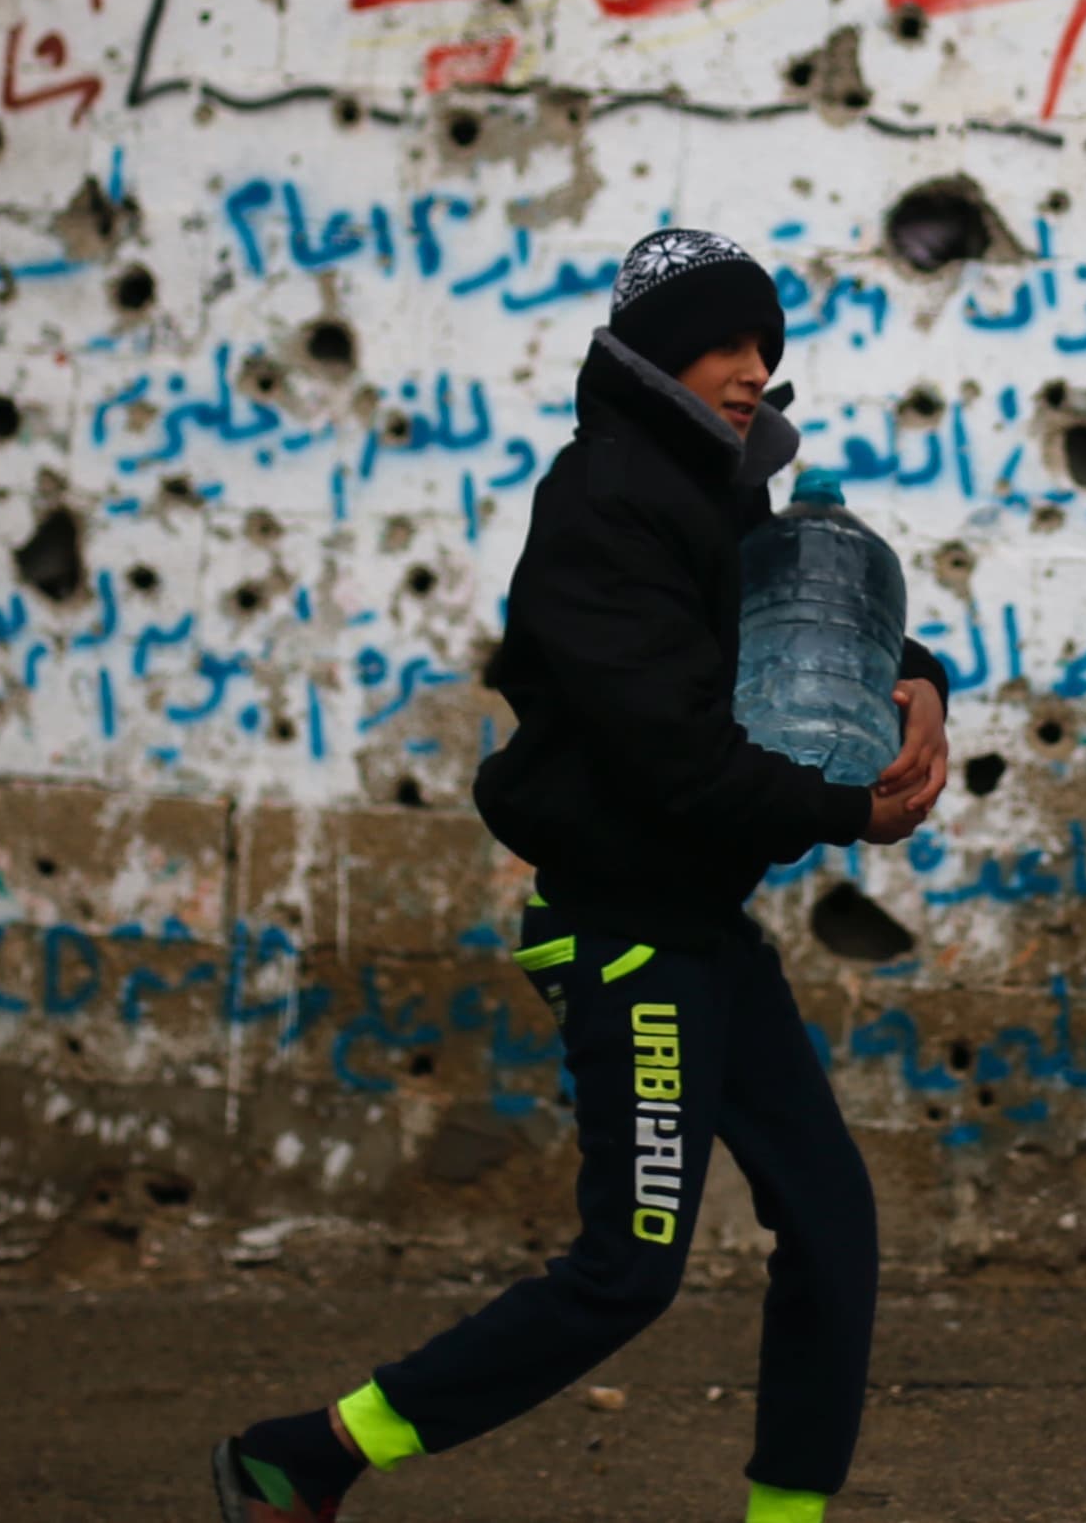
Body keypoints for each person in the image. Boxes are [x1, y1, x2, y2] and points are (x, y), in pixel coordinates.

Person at [211, 227, 950, 1523]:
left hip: (700, 927)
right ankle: (306, 1453)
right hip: (624, 939)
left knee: (831, 1228)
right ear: (664, 350)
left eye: (766, 346)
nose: (752, 367)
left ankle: (789, 1517)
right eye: (725, 341)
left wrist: (922, 687)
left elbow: (802, 636)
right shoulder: (602, 503)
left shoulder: (720, 487)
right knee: (629, 1270)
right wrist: (849, 809)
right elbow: (678, 754)